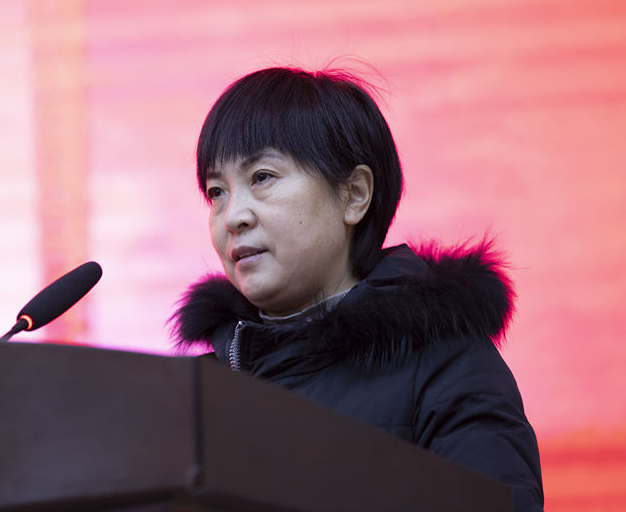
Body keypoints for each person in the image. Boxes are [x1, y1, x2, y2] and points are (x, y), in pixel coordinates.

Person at [170, 66, 544, 511]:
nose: (233, 216)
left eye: (262, 177)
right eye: (217, 192)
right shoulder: (197, 397)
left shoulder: (448, 367)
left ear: (354, 195)